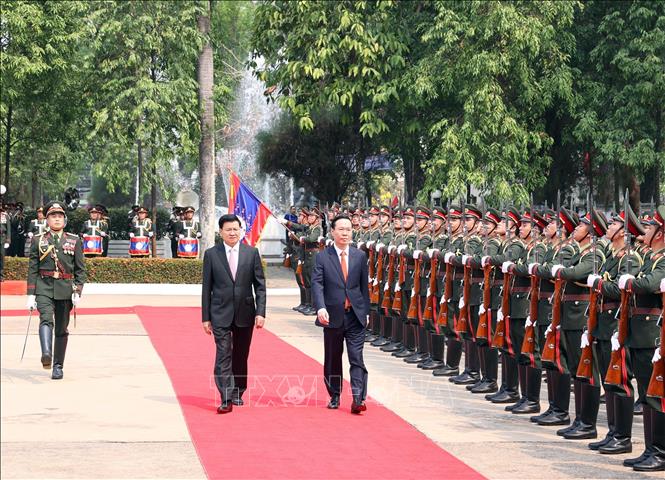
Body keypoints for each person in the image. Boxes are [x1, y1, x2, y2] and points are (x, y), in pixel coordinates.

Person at [201, 214, 266, 414]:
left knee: (240, 355)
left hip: (245, 312)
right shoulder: (212, 254)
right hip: (219, 312)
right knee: (223, 354)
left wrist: (260, 312)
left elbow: (260, 286)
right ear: (220, 232)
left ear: (240, 230)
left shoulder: (251, 253)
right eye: (228, 229)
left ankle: (238, 390)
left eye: (235, 229)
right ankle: (226, 397)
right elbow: (207, 288)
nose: (232, 232)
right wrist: (206, 317)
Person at [312, 214, 370, 414]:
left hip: (355, 315)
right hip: (332, 315)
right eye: (341, 229)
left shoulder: (359, 256)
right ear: (332, 232)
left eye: (348, 229)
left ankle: (358, 398)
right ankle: (335, 395)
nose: (345, 233)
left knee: (356, 358)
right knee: (333, 358)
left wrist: (366, 312)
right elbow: (317, 284)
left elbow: (364, 288)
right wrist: (320, 307)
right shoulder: (322, 256)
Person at [26, 201, 86, 379]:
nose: (57, 218)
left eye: (60, 216)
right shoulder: (38, 240)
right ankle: (47, 354)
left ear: (64, 219)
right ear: (47, 219)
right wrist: (30, 294)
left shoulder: (74, 240)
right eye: (53, 216)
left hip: (65, 289)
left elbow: (80, 269)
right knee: (45, 319)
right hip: (44, 286)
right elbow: (32, 268)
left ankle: (58, 366)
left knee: (61, 328)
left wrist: (78, 291)